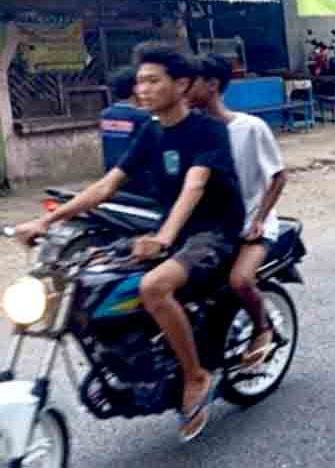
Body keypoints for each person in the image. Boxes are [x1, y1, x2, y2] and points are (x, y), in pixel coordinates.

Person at [15, 42, 245, 442]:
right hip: (169, 227)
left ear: (182, 84)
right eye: (140, 81)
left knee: (153, 286)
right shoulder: (150, 131)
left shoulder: (208, 131)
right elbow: (106, 186)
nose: (143, 89)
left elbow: (195, 185)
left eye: (153, 81)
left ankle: (196, 376)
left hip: (213, 231)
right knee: (86, 277)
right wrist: (46, 220)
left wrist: (164, 238)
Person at [187, 54, 288, 371]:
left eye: (192, 82)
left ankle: (263, 328)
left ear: (213, 85)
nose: (184, 88)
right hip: (211, 228)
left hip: (251, 226)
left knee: (240, 280)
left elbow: (278, 176)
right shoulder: (191, 130)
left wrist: (259, 218)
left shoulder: (250, 128)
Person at [98, 66, 153, 197]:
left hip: (112, 174)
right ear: (135, 88)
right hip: (137, 179)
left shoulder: (106, 114)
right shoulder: (143, 117)